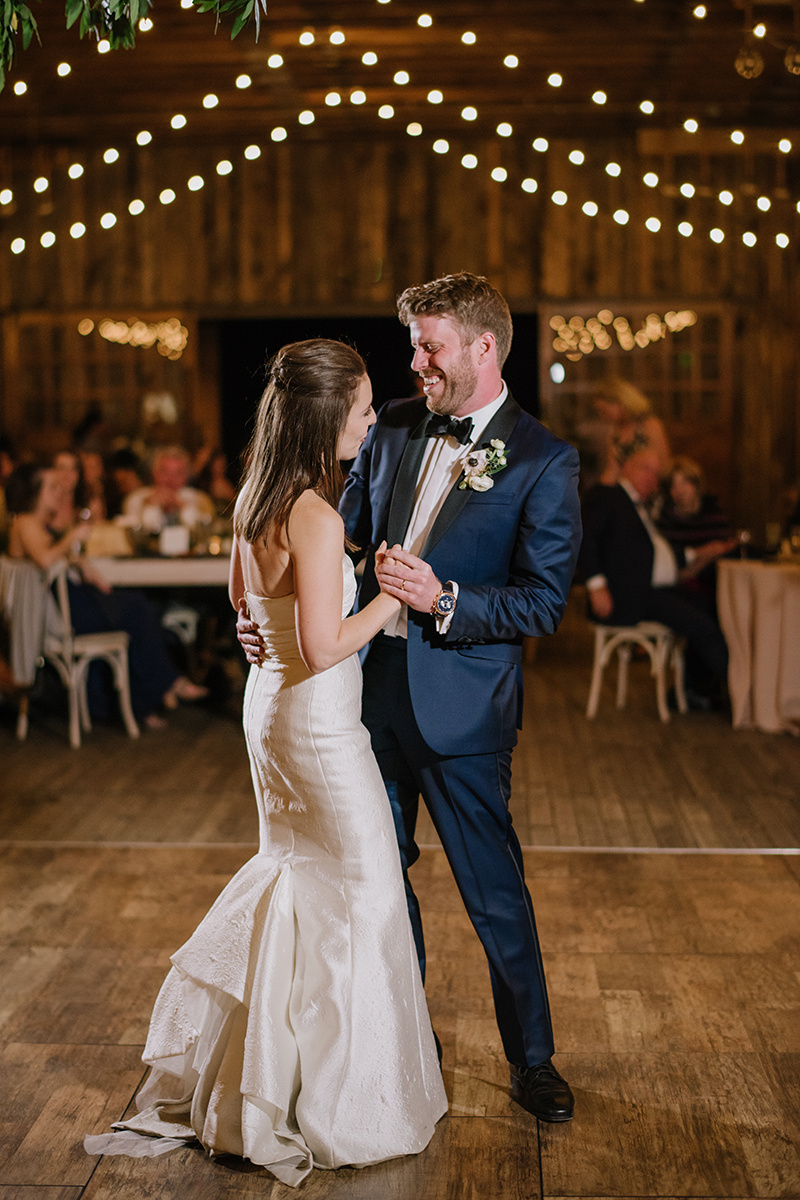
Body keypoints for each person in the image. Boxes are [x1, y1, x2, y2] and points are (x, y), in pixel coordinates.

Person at [85, 339, 446, 1185]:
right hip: (319, 726)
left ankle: (266, 1086)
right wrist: (390, 597)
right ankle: (340, 1101)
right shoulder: (316, 513)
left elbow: (245, 605)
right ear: (328, 416)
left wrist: (265, 632)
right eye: (361, 406)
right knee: (364, 893)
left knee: (296, 880)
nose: (369, 417)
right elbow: (326, 647)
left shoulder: (257, 497)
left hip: (269, 712)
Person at [239, 273, 583, 1123]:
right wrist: (269, 622)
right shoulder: (390, 424)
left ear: (483, 348)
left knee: (493, 894)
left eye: (430, 346)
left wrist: (443, 599)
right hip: (361, 701)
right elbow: (332, 535)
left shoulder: (543, 459)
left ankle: (533, 1059)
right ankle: (405, 1048)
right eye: (415, 346)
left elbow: (542, 603)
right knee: (377, 886)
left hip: (463, 714)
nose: (416, 361)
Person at [5, 463, 206, 727]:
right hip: (56, 615)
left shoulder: (38, 524)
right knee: (138, 608)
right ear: (34, 492)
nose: (60, 492)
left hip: (63, 603)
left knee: (135, 610)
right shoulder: (26, 521)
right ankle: (161, 689)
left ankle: (149, 699)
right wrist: (73, 538)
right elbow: (44, 560)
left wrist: (77, 562)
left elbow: (50, 557)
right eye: (52, 487)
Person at [579, 448, 732, 709]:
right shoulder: (609, 496)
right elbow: (585, 539)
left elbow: (652, 553)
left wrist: (699, 553)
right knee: (702, 625)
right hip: (629, 596)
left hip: (650, 590)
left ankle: (698, 688)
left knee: (710, 608)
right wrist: (595, 586)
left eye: (655, 472)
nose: (652, 477)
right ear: (627, 468)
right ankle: (739, 689)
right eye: (644, 468)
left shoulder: (640, 506)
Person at [655, 456, 737, 604]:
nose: (679, 490)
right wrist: (705, 554)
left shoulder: (713, 512)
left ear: (696, 484)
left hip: (719, 584)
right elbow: (671, 566)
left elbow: (727, 548)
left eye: (684, 482)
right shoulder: (666, 521)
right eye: (673, 486)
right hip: (683, 590)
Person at [582, 378, 671, 488]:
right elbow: (611, 471)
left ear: (619, 402)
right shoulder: (615, 433)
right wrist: (598, 492)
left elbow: (664, 466)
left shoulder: (649, 425)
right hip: (626, 491)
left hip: (650, 488)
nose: (602, 416)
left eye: (604, 410)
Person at [123, 445, 215, 532]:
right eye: (165, 472)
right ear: (154, 473)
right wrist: (151, 505)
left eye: (178, 473)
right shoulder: (136, 499)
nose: (171, 479)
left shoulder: (200, 501)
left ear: (186, 476)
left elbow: (201, 532)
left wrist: (183, 507)